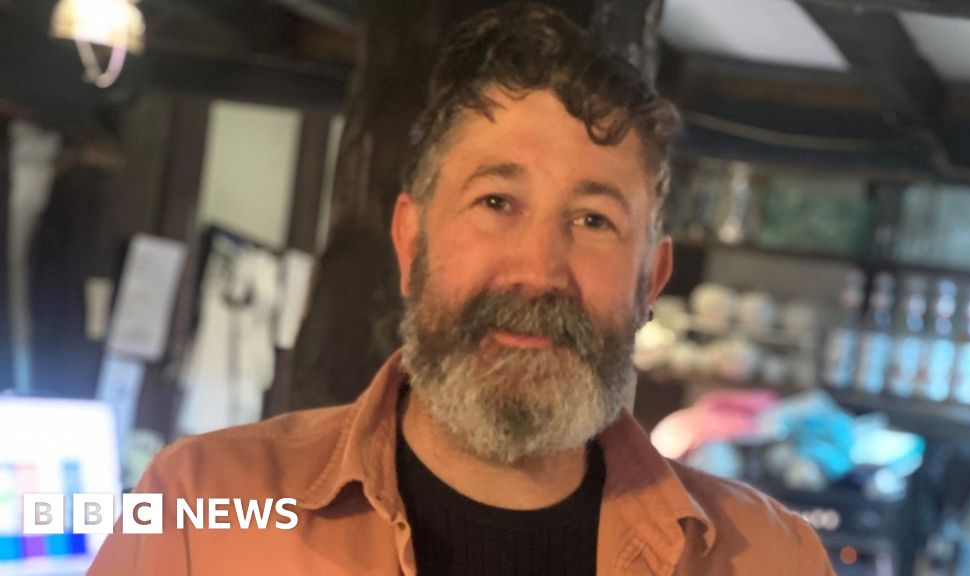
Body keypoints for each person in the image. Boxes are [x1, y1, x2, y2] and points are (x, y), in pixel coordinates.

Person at [88, 3, 835, 575]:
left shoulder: (770, 559)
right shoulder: (201, 507)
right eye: (496, 202)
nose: (538, 271)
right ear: (411, 242)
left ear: (651, 281)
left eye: (593, 220)